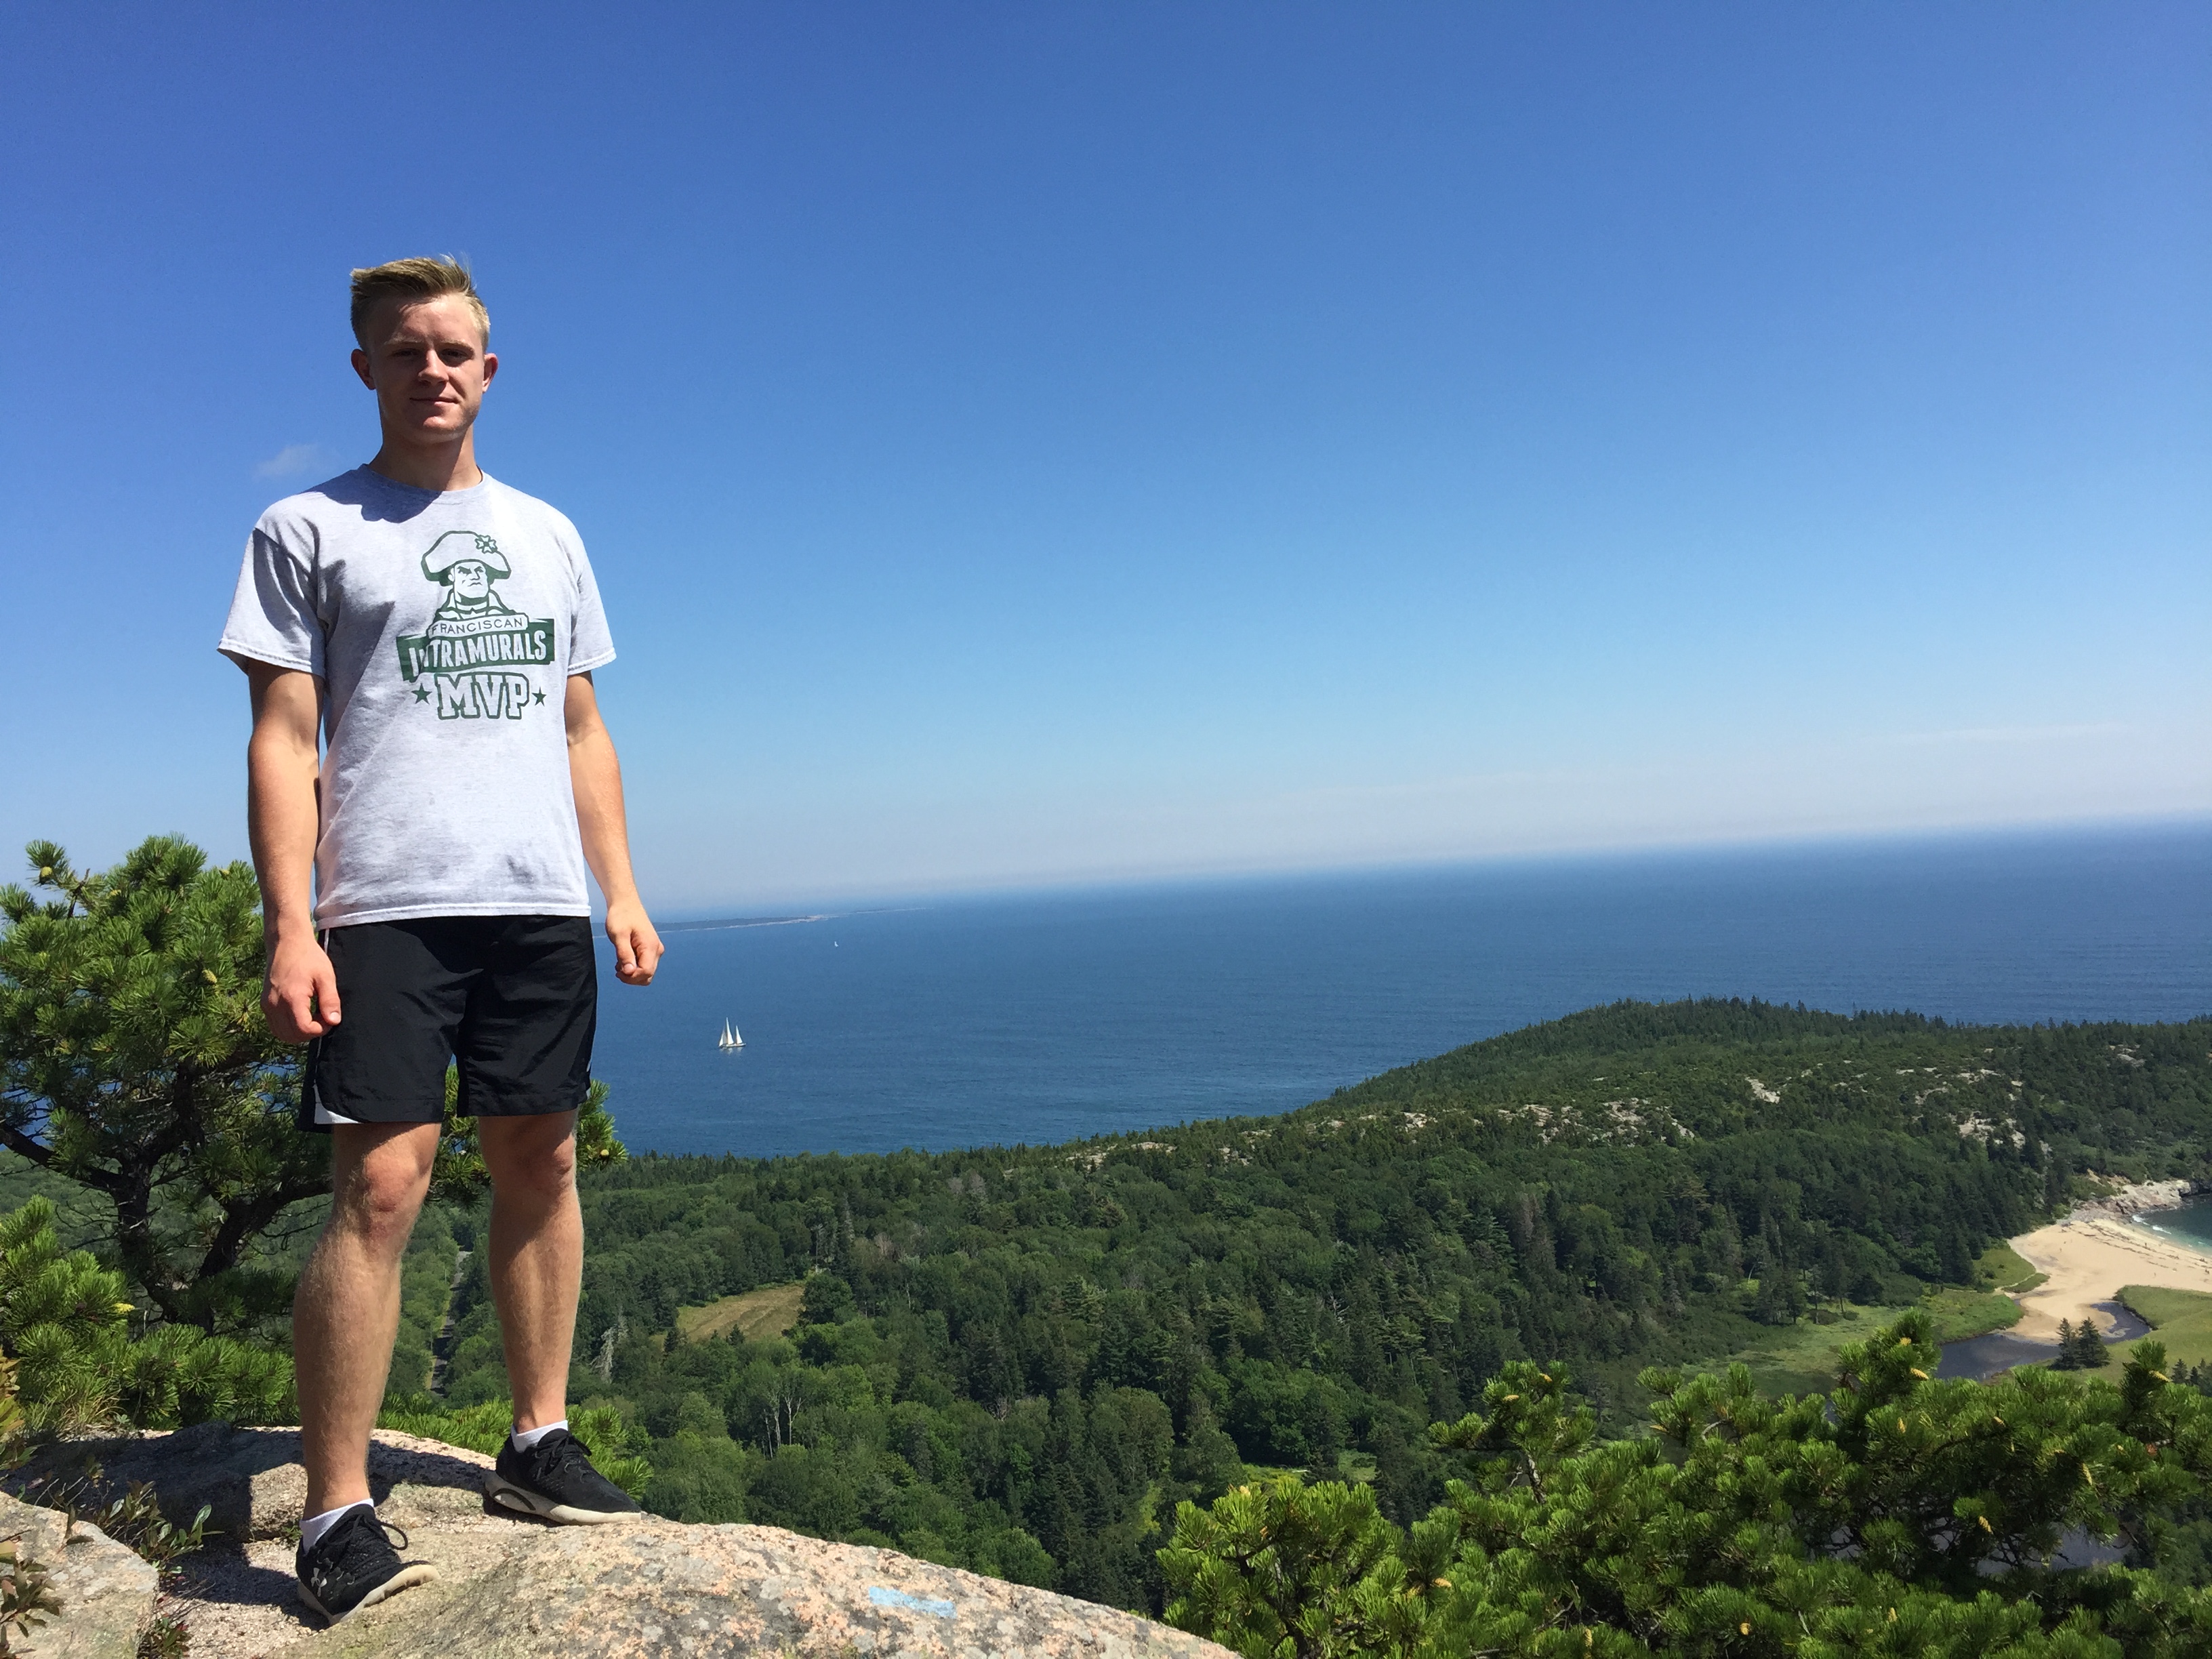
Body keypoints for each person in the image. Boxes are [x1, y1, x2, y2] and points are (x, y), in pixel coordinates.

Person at [218, 256, 665, 1624]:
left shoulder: (549, 533)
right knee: (382, 1188)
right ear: (365, 367)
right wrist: (290, 924)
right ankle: (334, 1508)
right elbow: (282, 735)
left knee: (542, 1159)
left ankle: (537, 1443)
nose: (433, 371)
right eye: (405, 350)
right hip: (384, 906)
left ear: (490, 369)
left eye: (454, 351)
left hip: (534, 901)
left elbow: (580, 727)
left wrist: (619, 888)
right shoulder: (308, 526)